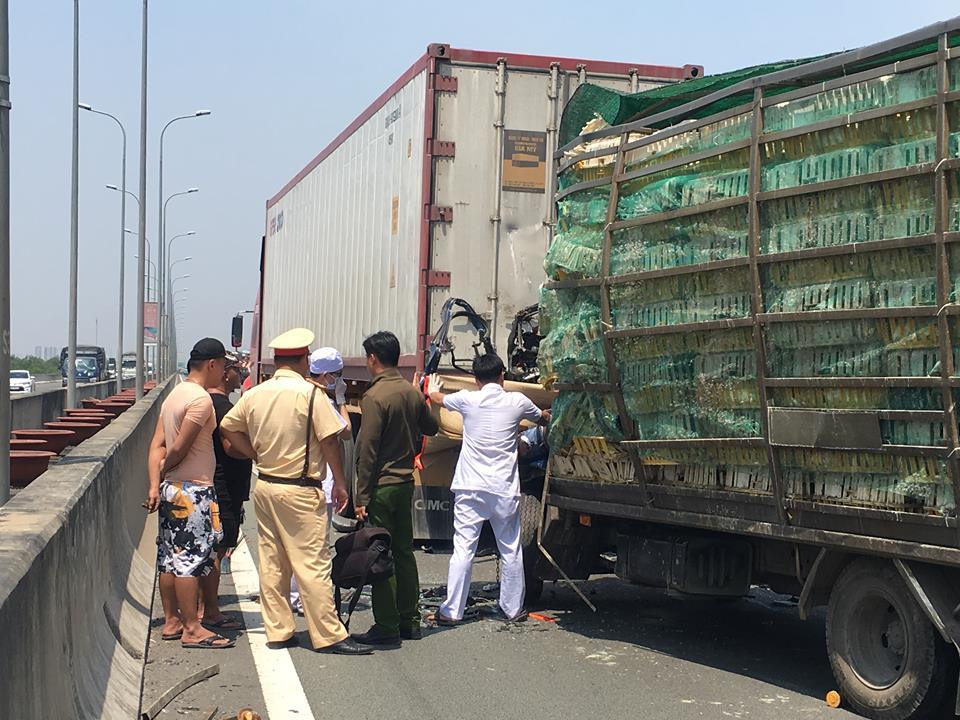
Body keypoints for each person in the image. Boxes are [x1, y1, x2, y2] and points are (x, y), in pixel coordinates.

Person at [220, 328, 372, 655]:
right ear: (304, 359)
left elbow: (228, 427)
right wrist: (341, 482)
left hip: (266, 484)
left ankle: (279, 630)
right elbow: (331, 438)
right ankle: (328, 635)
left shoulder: (256, 393)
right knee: (313, 563)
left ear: (276, 361)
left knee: (273, 561)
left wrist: (252, 453)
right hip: (301, 488)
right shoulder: (310, 394)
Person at [427, 353, 550, 625]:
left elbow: (437, 400)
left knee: (463, 550)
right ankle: (511, 608)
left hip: (470, 488)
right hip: (503, 489)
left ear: (475, 379)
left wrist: (432, 388)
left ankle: (451, 611)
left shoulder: (467, 399)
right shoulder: (516, 401)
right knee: (510, 549)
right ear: (502, 376)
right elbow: (541, 418)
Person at [146, 338, 235, 650]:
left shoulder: (174, 396)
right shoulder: (200, 400)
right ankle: (193, 628)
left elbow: (157, 445)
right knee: (190, 559)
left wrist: (156, 483)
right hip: (192, 490)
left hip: (172, 490)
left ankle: (171, 621)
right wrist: (164, 471)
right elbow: (179, 448)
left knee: (169, 558)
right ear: (212, 364)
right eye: (223, 366)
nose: (224, 373)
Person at [352, 331, 439, 647]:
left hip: (383, 487)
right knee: (404, 553)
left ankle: (386, 624)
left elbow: (368, 451)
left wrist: (361, 497)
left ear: (373, 358)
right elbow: (432, 427)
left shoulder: (375, 397)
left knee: (380, 555)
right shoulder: (409, 392)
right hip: (405, 485)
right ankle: (410, 621)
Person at [290, 346, 351, 615]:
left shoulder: (297, 393)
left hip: (293, 478)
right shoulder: (322, 400)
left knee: (294, 542)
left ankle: (293, 595)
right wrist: (342, 400)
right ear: (325, 375)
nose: (339, 379)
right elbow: (345, 432)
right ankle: (305, 598)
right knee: (314, 546)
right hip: (319, 480)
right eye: (337, 375)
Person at [199, 351, 251, 628]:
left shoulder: (206, 403)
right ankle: (209, 611)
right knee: (216, 550)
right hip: (224, 488)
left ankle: (202, 607)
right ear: (221, 370)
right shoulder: (221, 408)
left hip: (217, 485)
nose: (240, 374)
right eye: (235, 369)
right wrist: (257, 450)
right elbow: (231, 448)